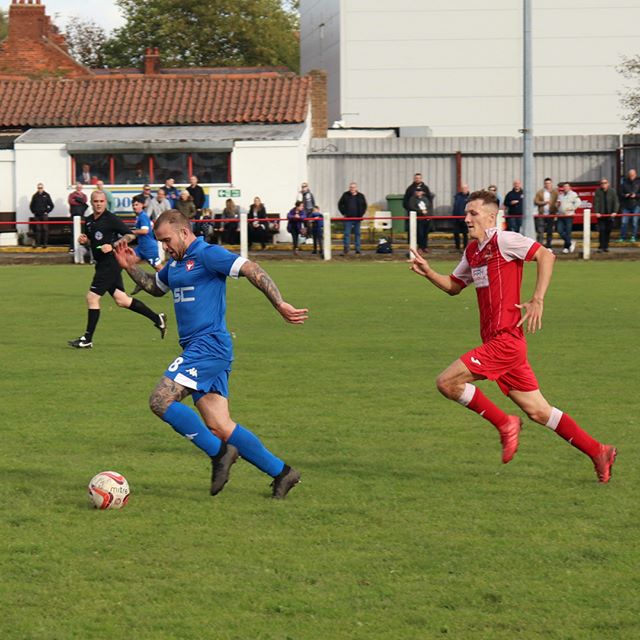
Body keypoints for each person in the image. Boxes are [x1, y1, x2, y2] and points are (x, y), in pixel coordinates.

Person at [408, 189, 617, 483]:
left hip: (505, 341)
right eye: (466, 213)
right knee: (540, 411)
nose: (466, 218)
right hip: (500, 344)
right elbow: (454, 286)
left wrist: (537, 298)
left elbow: (546, 255)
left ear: (492, 217)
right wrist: (429, 272)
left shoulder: (504, 241)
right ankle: (599, 451)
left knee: (446, 382)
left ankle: (505, 423)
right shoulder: (473, 251)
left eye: (473, 213)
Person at [114, 209, 306, 498]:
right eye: (160, 242)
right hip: (199, 349)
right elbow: (156, 287)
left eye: (166, 240)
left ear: (184, 232)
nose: (164, 247)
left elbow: (252, 269)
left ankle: (219, 455)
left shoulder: (206, 254)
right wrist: (130, 267)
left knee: (160, 400)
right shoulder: (176, 265)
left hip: (209, 346)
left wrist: (279, 304)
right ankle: (283, 473)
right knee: (219, 424)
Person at [67, 190, 166, 349]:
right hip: (101, 264)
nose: (98, 204)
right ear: (91, 203)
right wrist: (85, 240)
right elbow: (93, 241)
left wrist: (113, 245)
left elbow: (129, 235)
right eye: (95, 201)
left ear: (105, 202)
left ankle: (87, 338)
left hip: (111, 263)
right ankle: (158, 319)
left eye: (101, 201)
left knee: (92, 298)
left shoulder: (111, 219)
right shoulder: (89, 220)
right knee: (122, 300)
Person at [130, 195, 162, 294]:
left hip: (149, 248)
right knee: (128, 262)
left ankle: (177, 283)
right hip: (141, 248)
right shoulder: (140, 216)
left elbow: (145, 230)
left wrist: (132, 232)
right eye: (133, 205)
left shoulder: (143, 216)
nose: (134, 207)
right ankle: (141, 282)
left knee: (160, 270)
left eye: (137, 204)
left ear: (142, 205)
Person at [338, 182, 367, 255]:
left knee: (357, 234)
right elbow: (340, 204)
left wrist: (361, 214)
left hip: (357, 218)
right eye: (351, 187)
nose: (352, 189)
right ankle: (346, 250)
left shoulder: (361, 196)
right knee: (347, 234)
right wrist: (344, 213)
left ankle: (358, 250)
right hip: (348, 218)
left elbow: (364, 206)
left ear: (356, 188)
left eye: (353, 187)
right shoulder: (345, 195)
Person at [593, 178, 619, 253]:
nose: (603, 184)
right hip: (601, 215)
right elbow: (596, 202)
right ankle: (601, 247)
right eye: (602, 183)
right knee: (602, 230)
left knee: (608, 231)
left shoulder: (612, 191)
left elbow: (616, 202)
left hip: (610, 215)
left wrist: (615, 211)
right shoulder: (598, 192)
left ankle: (606, 246)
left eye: (605, 183)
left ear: (608, 184)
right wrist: (597, 212)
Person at [533, 178, 558, 249]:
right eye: (546, 183)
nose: (548, 185)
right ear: (544, 184)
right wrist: (544, 202)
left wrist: (556, 205)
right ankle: (539, 246)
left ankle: (549, 246)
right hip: (541, 214)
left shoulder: (555, 192)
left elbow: (558, 200)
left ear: (551, 184)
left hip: (551, 214)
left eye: (549, 183)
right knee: (540, 231)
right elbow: (535, 201)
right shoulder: (540, 192)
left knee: (550, 231)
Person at [556, 182, 581, 253]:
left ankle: (566, 247)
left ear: (569, 187)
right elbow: (557, 204)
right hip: (561, 215)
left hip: (569, 216)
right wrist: (557, 205)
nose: (565, 188)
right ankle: (570, 242)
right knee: (559, 230)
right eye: (564, 187)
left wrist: (571, 208)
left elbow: (578, 203)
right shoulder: (560, 195)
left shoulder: (573, 194)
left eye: (567, 186)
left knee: (568, 231)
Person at [29, 182, 54, 248]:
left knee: (45, 229)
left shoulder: (47, 195)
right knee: (38, 229)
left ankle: (45, 244)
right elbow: (31, 205)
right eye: (38, 188)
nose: (40, 189)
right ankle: (38, 244)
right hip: (37, 215)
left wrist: (47, 212)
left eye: (41, 188)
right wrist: (34, 212)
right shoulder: (35, 195)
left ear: (43, 188)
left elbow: (51, 205)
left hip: (44, 215)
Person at [408, 186, 431, 254]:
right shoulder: (412, 199)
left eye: (420, 191)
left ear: (422, 192)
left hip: (425, 218)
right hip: (418, 219)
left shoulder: (425, 199)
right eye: (417, 191)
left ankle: (425, 247)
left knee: (425, 233)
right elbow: (412, 207)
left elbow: (429, 207)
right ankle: (420, 247)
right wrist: (421, 211)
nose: (418, 192)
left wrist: (428, 214)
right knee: (419, 234)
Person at [618, 168, 639, 242]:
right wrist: (625, 195)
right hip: (626, 205)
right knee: (624, 222)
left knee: (634, 222)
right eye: (630, 175)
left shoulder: (638, 182)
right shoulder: (624, 183)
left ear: (635, 175)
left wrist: (636, 195)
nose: (631, 176)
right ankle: (622, 237)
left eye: (633, 175)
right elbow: (620, 193)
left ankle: (633, 236)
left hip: (636, 205)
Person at [68, 182, 89, 254]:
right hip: (74, 216)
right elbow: (71, 202)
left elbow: (85, 201)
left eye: (80, 187)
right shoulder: (71, 195)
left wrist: (76, 200)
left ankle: (82, 247)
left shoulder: (84, 195)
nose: (79, 188)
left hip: (82, 216)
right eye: (78, 187)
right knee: (73, 232)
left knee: (82, 232)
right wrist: (80, 202)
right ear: (76, 187)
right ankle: (72, 248)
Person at [451, 184, 470, 251]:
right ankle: (457, 247)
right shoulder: (457, 196)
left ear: (467, 189)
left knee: (465, 234)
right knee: (456, 233)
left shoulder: (470, 197)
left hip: (465, 218)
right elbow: (455, 207)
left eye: (465, 188)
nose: (464, 190)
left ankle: (465, 248)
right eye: (462, 188)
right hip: (456, 218)